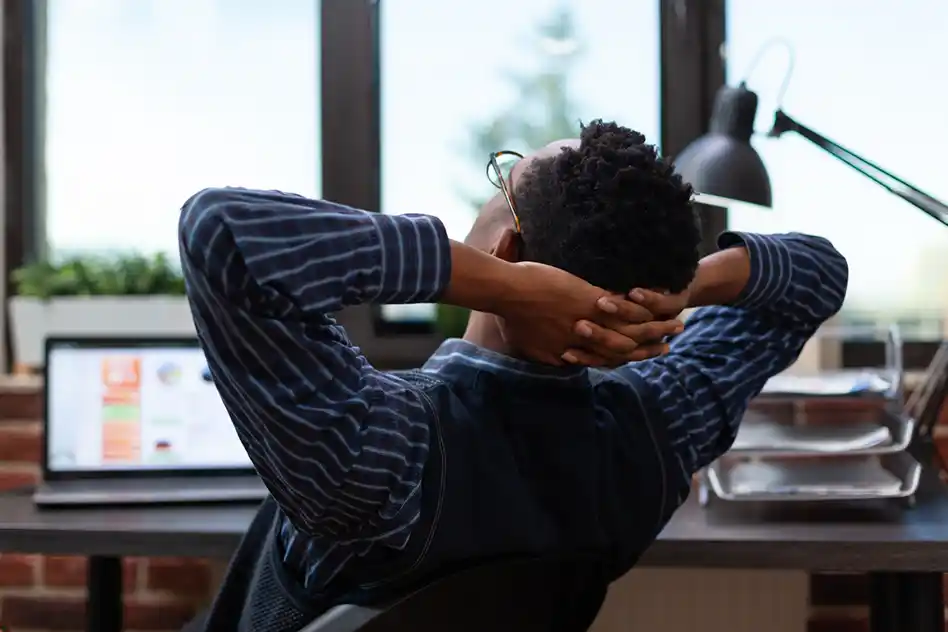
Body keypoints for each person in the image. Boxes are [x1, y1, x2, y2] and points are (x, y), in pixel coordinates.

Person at [178, 120, 848, 632]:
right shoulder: (661, 429)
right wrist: (676, 290)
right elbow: (819, 273)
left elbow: (222, 233)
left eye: (503, 179)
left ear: (508, 248)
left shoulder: (383, 454)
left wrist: (505, 286)